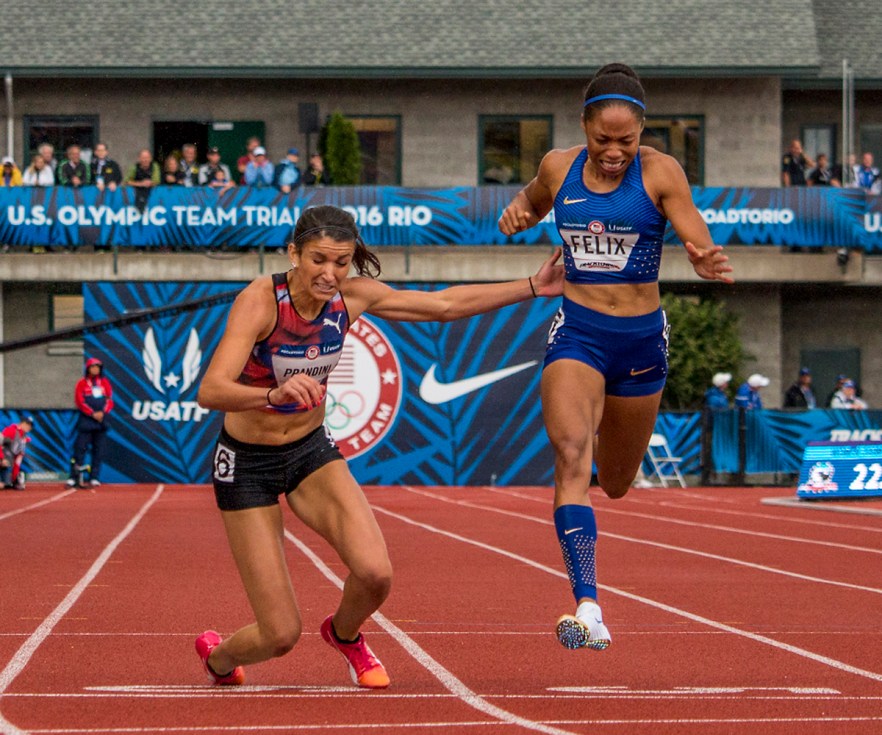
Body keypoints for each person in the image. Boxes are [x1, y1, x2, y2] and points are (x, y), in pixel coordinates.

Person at [194, 204, 564, 688]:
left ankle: (345, 635)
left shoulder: (352, 297)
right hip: (246, 464)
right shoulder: (261, 301)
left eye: (341, 262)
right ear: (293, 253)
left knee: (375, 574)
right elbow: (211, 390)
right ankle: (218, 657)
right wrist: (272, 394)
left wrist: (534, 286)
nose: (330, 274)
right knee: (280, 634)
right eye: (318, 260)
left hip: (308, 452)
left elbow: (443, 307)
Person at [497, 63, 733, 652]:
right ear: (584, 127)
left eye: (625, 141)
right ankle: (588, 606)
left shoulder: (659, 172)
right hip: (578, 332)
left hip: (640, 341)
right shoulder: (559, 165)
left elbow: (692, 231)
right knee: (570, 451)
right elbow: (530, 199)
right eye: (602, 139)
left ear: (642, 133)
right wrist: (518, 213)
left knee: (620, 482)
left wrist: (701, 256)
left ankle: (604, 459)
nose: (612, 152)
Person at [66, 357, 113, 489]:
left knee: (99, 451)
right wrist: (92, 413)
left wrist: (102, 413)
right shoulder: (81, 383)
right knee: (80, 450)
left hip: (101, 422)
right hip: (86, 421)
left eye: (98, 367)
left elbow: (110, 400)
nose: (95, 369)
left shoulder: (104, 383)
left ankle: (94, 477)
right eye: (93, 367)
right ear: (88, 368)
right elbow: (79, 401)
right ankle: (74, 477)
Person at [1, 416, 34, 490]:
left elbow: (17, 462)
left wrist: (14, 478)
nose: (28, 427)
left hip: (6, 464)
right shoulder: (11, 431)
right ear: (21, 423)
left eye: (30, 425)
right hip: (2, 460)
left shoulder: (23, 439)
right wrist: (2, 458)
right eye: (27, 424)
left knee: (6, 484)